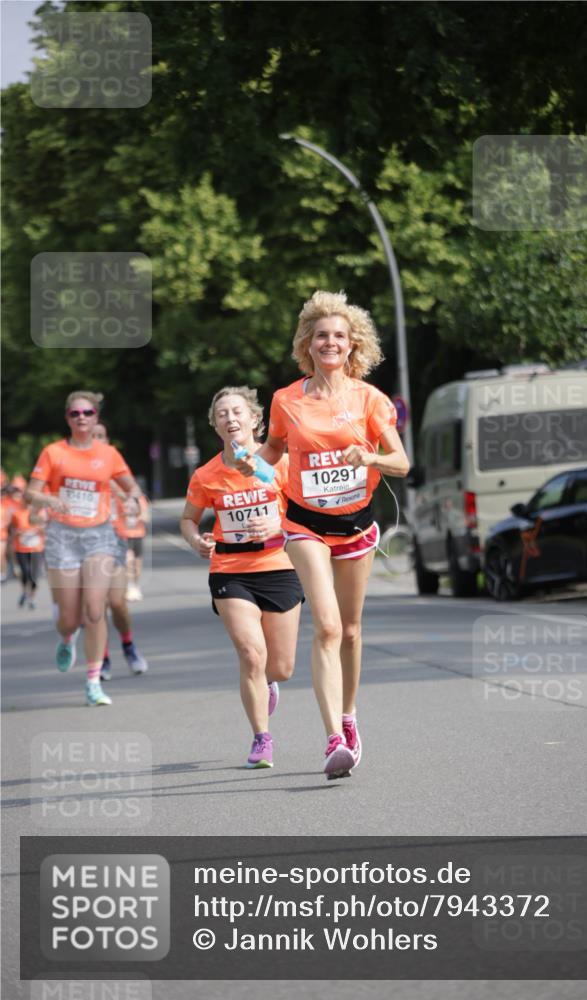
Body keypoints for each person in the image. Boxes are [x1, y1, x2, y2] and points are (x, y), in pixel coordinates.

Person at [234, 290, 409, 779]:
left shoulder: (370, 400)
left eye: (339, 336)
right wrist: (249, 468)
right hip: (305, 524)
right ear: (307, 344)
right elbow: (270, 452)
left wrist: (370, 457)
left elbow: (401, 462)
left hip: (356, 523)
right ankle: (333, 737)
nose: (330, 343)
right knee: (328, 627)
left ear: (353, 345)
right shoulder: (287, 400)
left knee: (351, 630)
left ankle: (349, 717)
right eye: (321, 336)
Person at [180, 386, 303, 769]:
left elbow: (306, 512)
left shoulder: (280, 463)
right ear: (215, 426)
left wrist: (278, 522)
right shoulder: (206, 474)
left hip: (280, 566)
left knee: (279, 667)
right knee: (251, 653)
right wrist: (195, 540)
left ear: (254, 419)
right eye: (222, 414)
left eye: (237, 412)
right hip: (230, 570)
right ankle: (261, 739)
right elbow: (187, 519)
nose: (230, 419)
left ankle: (268, 684)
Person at [25, 391, 144, 707]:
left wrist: (132, 498)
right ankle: (66, 637)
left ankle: (93, 682)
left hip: (99, 537)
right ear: (67, 417)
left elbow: (131, 486)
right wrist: (48, 499)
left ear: (96, 418)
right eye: (75, 413)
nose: (81, 418)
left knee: (95, 607)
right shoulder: (53, 453)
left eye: (87, 413)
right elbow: (30, 494)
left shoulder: (108, 454)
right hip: (62, 538)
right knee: (69, 617)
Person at [91, 422, 149, 680]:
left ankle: (128, 645)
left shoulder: (114, 466)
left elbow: (134, 497)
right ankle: (102, 658)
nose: (96, 440)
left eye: (101, 436)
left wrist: (133, 504)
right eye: (92, 436)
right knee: (97, 605)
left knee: (117, 603)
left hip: (114, 540)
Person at [8, 476, 46, 609]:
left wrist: (37, 530)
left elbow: (44, 528)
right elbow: (11, 530)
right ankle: (25, 591)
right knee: (25, 573)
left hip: (36, 547)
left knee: (34, 576)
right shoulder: (17, 513)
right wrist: (18, 533)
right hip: (21, 547)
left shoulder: (39, 512)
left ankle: (31, 597)